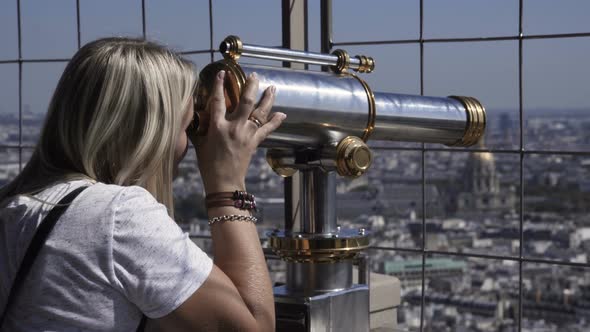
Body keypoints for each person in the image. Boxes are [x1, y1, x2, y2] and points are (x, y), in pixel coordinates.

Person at [0, 37, 285, 331]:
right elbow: (255, 327)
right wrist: (227, 181)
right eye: (187, 127)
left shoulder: (16, 208)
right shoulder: (116, 216)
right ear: (149, 132)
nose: (190, 143)